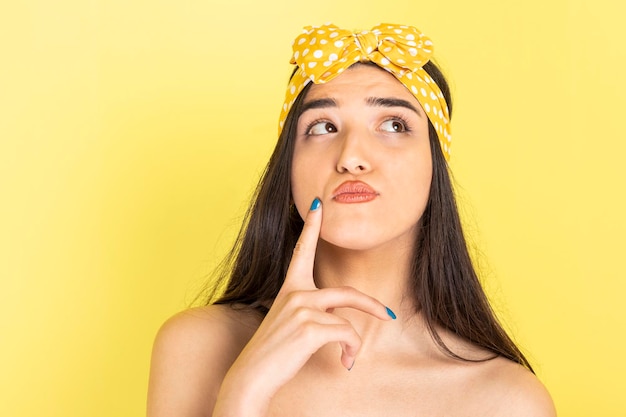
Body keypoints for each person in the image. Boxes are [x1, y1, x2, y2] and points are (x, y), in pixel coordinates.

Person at [147, 23, 556, 416]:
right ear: (288, 167)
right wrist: (244, 391)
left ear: (435, 165)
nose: (351, 157)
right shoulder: (196, 347)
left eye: (394, 125)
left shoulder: (508, 400)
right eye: (323, 126)